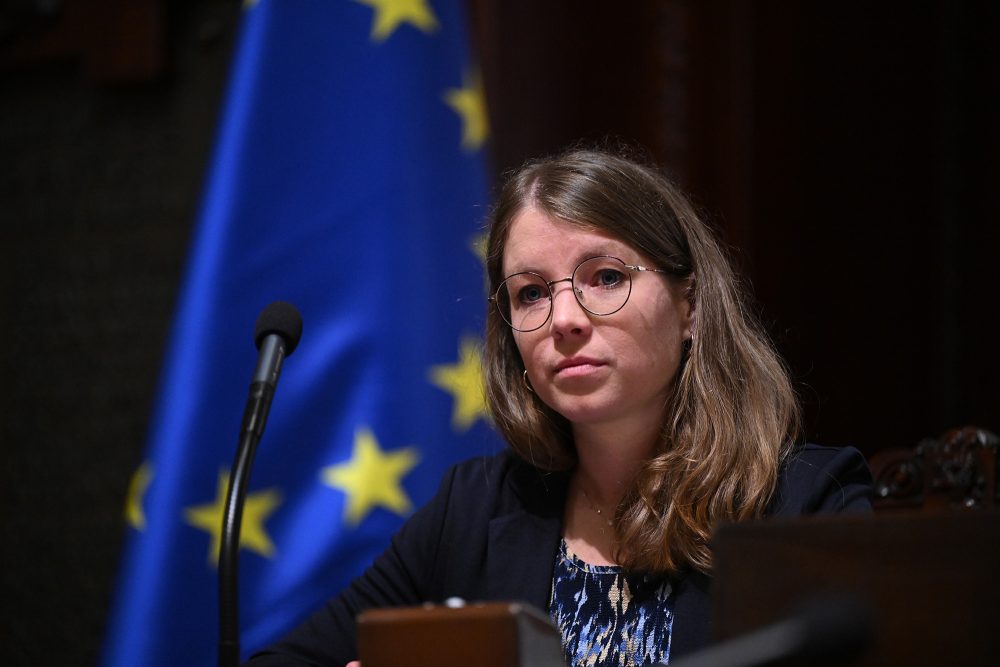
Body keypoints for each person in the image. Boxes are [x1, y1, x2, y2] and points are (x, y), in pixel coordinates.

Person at [247, 148, 873, 666]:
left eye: (605, 277)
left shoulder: (808, 505)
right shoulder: (473, 510)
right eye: (531, 293)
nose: (565, 320)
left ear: (691, 306)